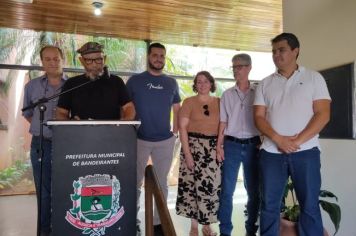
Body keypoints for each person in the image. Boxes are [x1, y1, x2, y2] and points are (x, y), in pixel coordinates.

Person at [253, 32, 331, 236]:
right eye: (273, 51)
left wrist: (297, 141)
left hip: (306, 152)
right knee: (269, 206)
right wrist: (279, 139)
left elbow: (323, 114)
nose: (276, 55)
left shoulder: (314, 78)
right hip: (271, 153)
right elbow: (259, 118)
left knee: (310, 206)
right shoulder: (265, 83)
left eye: (281, 50)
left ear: (295, 51)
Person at [126, 42, 181, 236]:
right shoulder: (134, 81)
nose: (159, 59)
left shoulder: (171, 83)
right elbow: (126, 108)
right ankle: (132, 221)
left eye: (162, 56)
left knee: (161, 183)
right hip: (140, 139)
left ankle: (159, 223)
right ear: (148, 57)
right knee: (135, 182)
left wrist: (175, 131)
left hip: (165, 141)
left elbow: (177, 108)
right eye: (155, 55)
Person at [22, 45, 66, 236]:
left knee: (64, 189)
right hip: (40, 145)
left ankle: (64, 229)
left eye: (56, 58)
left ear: (62, 60)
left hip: (67, 145)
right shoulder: (32, 86)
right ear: (42, 62)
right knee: (44, 192)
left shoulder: (72, 85)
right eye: (48, 59)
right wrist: (43, 130)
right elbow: (28, 113)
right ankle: (44, 231)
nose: (52, 62)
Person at [217, 53, 261, 236]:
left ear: (249, 67)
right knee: (227, 191)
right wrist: (219, 146)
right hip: (231, 145)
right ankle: (225, 231)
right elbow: (223, 122)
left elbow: (265, 118)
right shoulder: (226, 94)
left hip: (254, 146)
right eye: (233, 67)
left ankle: (251, 230)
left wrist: (264, 141)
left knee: (253, 191)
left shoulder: (259, 92)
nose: (236, 70)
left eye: (240, 66)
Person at [176, 71, 221, 236]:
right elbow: (182, 128)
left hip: (213, 149)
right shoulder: (188, 102)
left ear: (211, 84)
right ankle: (194, 225)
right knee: (191, 187)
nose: (202, 84)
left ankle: (207, 224)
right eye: (199, 82)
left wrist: (220, 147)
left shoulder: (220, 102)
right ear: (195, 85)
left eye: (206, 81)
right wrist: (187, 154)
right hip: (193, 148)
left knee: (211, 188)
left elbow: (224, 126)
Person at [56, 41, 135, 120]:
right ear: (81, 61)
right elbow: (61, 112)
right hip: (79, 132)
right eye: (88, 60)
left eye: (98, 59)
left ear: (104, 59)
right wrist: (70, 125)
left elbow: (129, 108)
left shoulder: (116, 82)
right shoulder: (71, 84)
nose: (94, 64)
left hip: (111, 131)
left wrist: (124, 125)